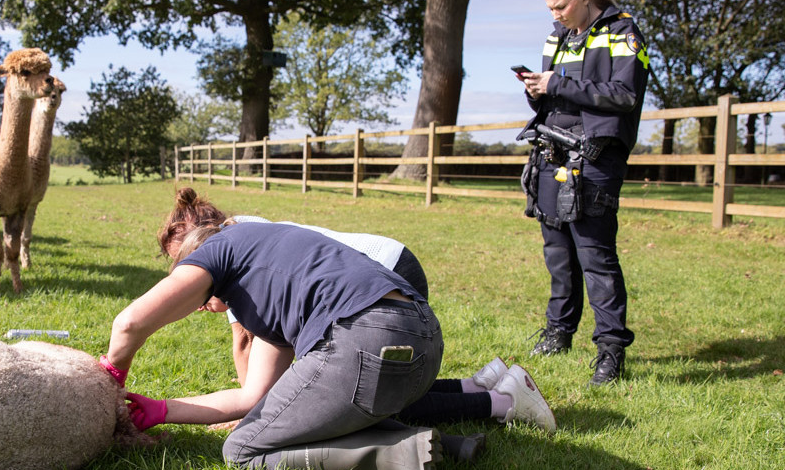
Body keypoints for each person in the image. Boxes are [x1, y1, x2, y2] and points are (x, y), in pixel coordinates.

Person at [150, 188, 556, 455]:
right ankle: (483, 384)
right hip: (383, 270)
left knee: (365, 396)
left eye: (182, 260)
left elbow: (246, 342)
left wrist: (259, 414)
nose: (183, 269)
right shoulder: (242, 228)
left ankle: (497, 404)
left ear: (200, 237)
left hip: (378, 281)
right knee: (372, 383)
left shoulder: (227, 254)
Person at [516, 0, 649, 385]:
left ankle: (611, 350)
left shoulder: (623, 32)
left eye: (560, 5)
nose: (554, 14)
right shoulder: (557, 36)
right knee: (558, 255)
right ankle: (559, 331)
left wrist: (556, 84)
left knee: (596, 257)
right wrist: (536, 88)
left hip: (594, 158)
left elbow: (624, 95)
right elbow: (557, 94)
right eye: (549, 8)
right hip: (551, 153)